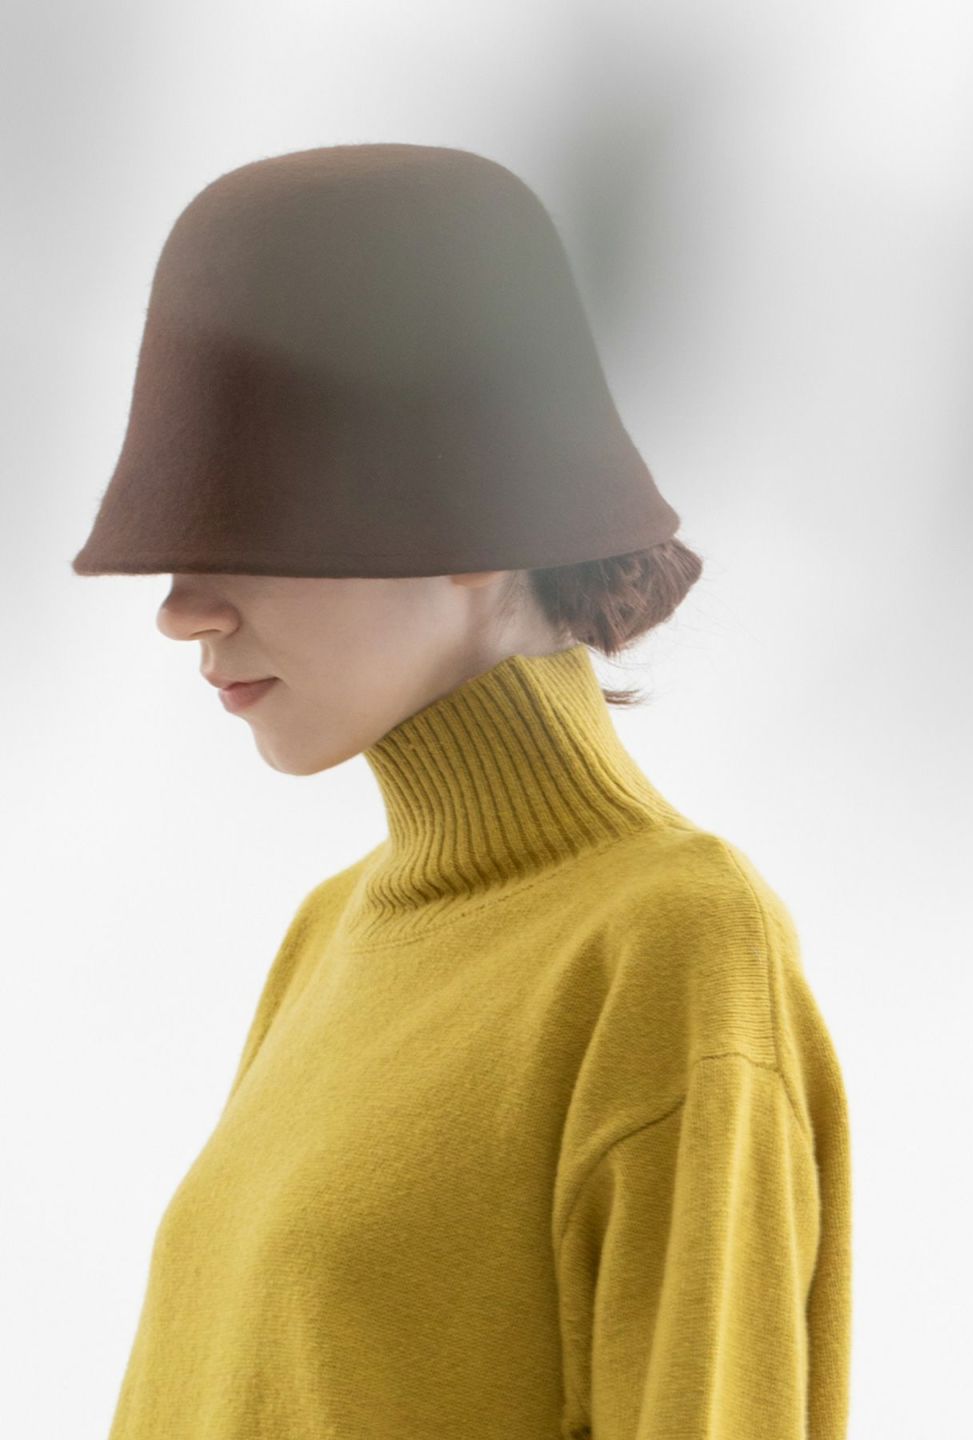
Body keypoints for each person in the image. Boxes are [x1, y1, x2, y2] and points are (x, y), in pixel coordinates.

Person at [72, 143, 852, 1440]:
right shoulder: (332, 937)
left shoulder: (669, 947)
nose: (181, 608)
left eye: (245, 522)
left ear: (473, 512)